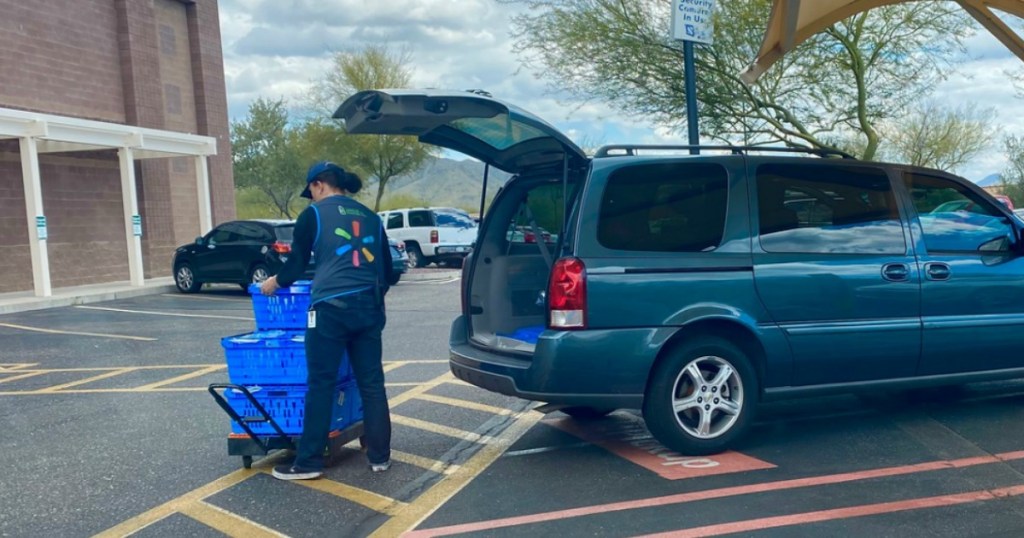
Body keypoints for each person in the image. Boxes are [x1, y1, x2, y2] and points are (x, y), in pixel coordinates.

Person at [260, 161, 393, 480]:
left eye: (311, 192)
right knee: (372, 383)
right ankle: (380, 457)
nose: (311, 199)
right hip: (369, 308)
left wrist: (273, 283)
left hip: (329, 311)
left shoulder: (313, 215)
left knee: (321, 383)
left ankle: (307, 462)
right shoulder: (372, 218)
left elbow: (294, 269)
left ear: (319, 185)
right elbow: (387, 272)